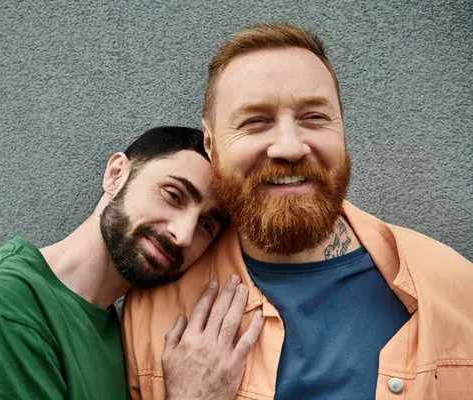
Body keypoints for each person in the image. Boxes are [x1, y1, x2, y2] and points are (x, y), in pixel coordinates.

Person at [122, 23, 473, 400]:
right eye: (256, 121)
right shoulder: (153, 312)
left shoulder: (455, 288)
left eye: (314, 118)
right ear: (211, 144)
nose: (289, 147)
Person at [0, 126, 265, 400]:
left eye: (206, 225)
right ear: (116, 174)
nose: (183, 234)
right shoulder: (1, 311)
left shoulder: (108, 327)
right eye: (173, 195)